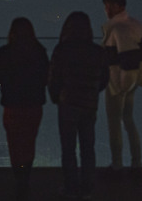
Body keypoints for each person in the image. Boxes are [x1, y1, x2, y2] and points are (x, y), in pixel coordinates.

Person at [49, 12, 109, 200]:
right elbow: (104, 80)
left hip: (67, 103)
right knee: (87, 146)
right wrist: (91, 91)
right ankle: (87, 188)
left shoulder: (62, 50)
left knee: (68, 147)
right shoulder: (97, 51)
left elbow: (54, 78)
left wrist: (56, 97)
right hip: (90, 104)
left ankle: (71, 187)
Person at [0, 17, 49, 200]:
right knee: (29, 140)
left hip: (12, 103)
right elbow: (46, 75)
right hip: (33, 104)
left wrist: (7, 82)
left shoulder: (6, 52)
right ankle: (26, 174)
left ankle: (19, 175)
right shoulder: (39, 51)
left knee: (15, 141)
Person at [101, 0, 142, 174]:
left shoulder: (117, 28)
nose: (106, 10)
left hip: (118, 80)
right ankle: (136, 161)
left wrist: (120, 82)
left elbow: (122, 56)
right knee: (128, 119)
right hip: (133, 79)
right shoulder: (136, 25)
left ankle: (117, 163)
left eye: (109, 6)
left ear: (119, 6)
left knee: (114, 122)